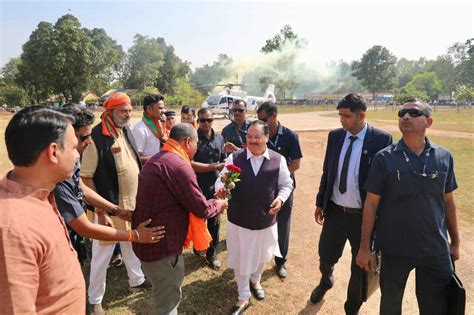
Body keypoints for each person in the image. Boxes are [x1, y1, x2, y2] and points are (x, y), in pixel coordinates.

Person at [356, 100, 460, 315]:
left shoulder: (444, 157)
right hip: (395, 248)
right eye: (402, 112)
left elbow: (448, 201)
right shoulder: (384, 158)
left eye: (414, 113)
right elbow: (371, 203)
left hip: (435, 248)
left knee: (435, 307)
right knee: (391, 305)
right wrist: (365, 247)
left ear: (429, 121)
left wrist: (455, 242)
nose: (406, 117)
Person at [132, 123, 228, 315]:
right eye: (196, 143)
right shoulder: (178, 166)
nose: (197, 148)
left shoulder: (159, 158)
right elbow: (201, 209)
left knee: (164, 295)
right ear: (187, 142)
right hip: (163, 249)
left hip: (149, 245)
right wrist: (220, 203)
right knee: (167, 302)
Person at [311, 93, 392, 315]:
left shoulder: (381, 139)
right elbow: (328, 171)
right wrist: (321, 201)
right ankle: (326, 280)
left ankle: (352, 307)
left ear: (361, 115)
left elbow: (385, 183)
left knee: (360, 265)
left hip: (363, 217)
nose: (341, 120)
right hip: (335, 211)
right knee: (326, 254)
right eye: (340, 115)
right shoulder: (336, 136)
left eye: (346, 116)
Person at [54, 104, 165, 264]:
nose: (89, 141)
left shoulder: (72, 160)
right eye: (84, 137)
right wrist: (136, 235)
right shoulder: (58, 174)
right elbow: (84, 227)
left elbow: (81, 187)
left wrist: (116, 210)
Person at [0, 106, 85, 313]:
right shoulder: (12, 230)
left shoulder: (42, 194)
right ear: (53, 152)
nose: (77, 155)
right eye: (74, 147)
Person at [80, 92, 149, 314]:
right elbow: (86, 177)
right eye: (123, 111)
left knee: (130, 245)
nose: (128, 114)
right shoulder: (96, 137)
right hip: (108, 209)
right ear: (109, 112)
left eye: (129, 110)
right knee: (102, 257)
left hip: (129, 206)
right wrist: (102, 211)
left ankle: (136, 280)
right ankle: (95, 300)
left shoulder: (125, 129)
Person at [216, 120, 293, 314]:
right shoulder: (235, 158)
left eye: (257, 137)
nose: (252, 141)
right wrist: (221, 190)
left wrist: (281, 199)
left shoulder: (278, 160)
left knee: (261, 254)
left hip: (265, 220)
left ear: (267, 137)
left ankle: (256, 280)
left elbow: (286, 184)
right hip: (240, 220)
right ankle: (243, 295)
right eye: (249, 137)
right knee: (242, 257)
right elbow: (221, 181)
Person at [257, 101, 303, 278]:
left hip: (284, 188)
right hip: (263, 187)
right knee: (261, 222)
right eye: (258, 120)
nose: (260, 124)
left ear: (275, 116)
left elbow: (296, 164)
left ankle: (280, 262)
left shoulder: (290, 136)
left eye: (264, 120)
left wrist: (278, 176)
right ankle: (259, 259)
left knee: (283, 225)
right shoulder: (261, 134)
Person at [191, 108, 226, 269]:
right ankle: (198, 246)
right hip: (196, 187)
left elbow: (223, 160)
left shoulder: (219, 138)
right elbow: (189, 163)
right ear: (198, 121)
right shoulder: (192, 139)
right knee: (198, 220)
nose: (206, 123)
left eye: (209, 120)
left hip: (215, 188)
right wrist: (212, 166)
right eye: (203, 120)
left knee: (215, 222)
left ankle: (212, 254)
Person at [132, 94, 167, 164]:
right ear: (149, 109)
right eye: (160, 108)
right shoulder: (140, 130)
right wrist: (159, 159)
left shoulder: (159, 125)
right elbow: (135, 158)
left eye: (163, 108)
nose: (164, 111)